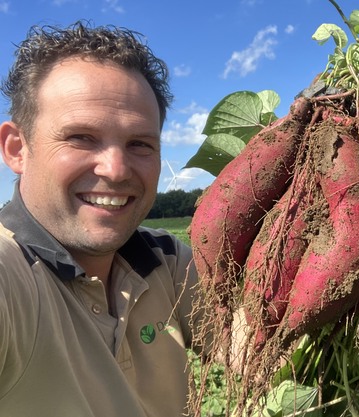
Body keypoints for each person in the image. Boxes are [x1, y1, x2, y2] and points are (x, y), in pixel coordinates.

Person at [0, 21, 205, 416]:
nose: (116, 169)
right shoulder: (11, 275)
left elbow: (261, 344)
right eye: (81, 138)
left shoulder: (166, 260)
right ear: (17, 149)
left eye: (139, 143)